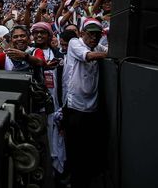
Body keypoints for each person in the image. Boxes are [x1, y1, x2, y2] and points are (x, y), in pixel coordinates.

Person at [63, 19, 108, 188]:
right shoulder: (75, 43)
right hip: (76, 107)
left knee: (88, 150)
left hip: (92, 107)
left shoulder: (97, 46)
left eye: (97, 34)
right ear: (82, 33)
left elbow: (105, 50)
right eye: (90, 34)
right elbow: (88, 56)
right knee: (76, 150)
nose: (94, 38)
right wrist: (111, 53)